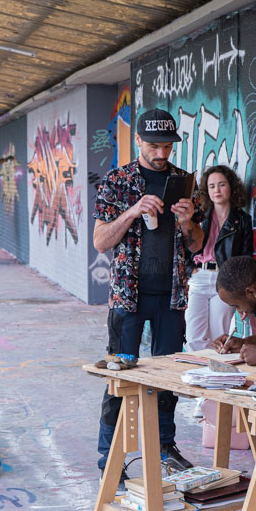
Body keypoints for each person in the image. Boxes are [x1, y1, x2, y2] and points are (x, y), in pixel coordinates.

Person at [91, 108, 204, 476]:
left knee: (168, 377)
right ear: (137, 140)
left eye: (167, 146)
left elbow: (197, 245)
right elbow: (100, 242)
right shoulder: (117, 181)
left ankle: (164, 447)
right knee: (120, 375)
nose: (161, 153)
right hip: (128, 297)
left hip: (171, 297)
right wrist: (131, 212)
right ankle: (110, 459)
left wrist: (187, 222)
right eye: (154, 146)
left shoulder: (184, 182)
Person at [184, 164, 254, 419]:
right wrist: (188, 270)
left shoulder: (241, 220)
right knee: (194, 337)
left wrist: (243, 297)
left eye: (221, 184)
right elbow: (185, 244)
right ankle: (202, 393)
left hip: (224, 281)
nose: (217, 190)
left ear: (231, 187)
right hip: (199, 277)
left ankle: (211, 401)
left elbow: (246, 259)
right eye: (211, 186)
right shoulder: (199, 216)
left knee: (218, 338)